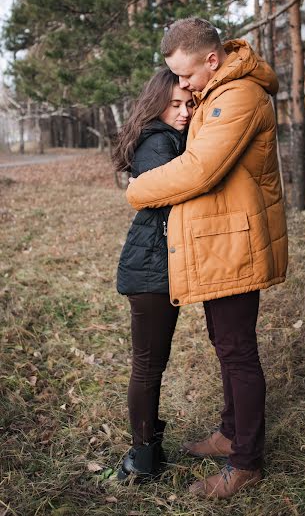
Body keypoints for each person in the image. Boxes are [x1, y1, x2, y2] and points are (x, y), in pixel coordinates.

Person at [126, 18, 288, 499]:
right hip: (222, 239)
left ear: (211, 61)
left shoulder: (238, 96)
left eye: (188, 75)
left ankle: (246, 462)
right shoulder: (218, 92)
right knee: (226, 343)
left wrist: (136, 190)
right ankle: (230, 432)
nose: (184, 86)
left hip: (236, 241)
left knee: (239, 352)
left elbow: (200, 170)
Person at [112, 67, 194, 481]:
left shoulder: (171, 137)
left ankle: (149, 448)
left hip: (158, 266)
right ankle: (142, 458)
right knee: (147, 365)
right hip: (149, 270)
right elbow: (173, 192)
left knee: (152, 363)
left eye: (188, 104)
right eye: (174, 104)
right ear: (157, 102)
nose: (183, 112)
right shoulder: (157, 141)